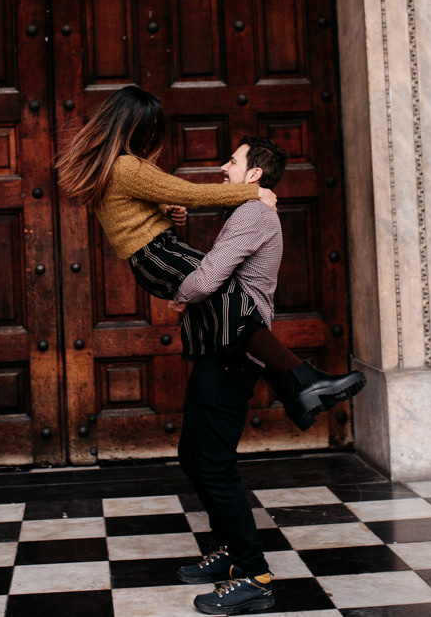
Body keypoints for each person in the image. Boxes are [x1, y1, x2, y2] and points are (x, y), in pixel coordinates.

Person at [55, 85, 365, 429]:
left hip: (156, 254)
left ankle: (294, 390)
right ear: (134, 128)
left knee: (228, 310)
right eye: (151, 129)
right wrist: (253, 192)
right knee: (234, 303)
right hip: (159, 254)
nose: (152, 137)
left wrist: (167, 213)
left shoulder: (114, 168)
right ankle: (301, 378)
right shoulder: (127, 167)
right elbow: (189, 192)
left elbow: (137, 209)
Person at [166, 136, 289, 615]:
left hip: (235, 351)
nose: (223, 166)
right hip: (220, 348)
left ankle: (254, 574)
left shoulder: (254, 214)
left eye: (233, 161)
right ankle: (230, 556)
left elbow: (205, 279)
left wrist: (182, 292)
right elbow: (213, 273)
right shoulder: (245, 212)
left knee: (213, 463)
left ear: (254, 175)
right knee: (194, 455)